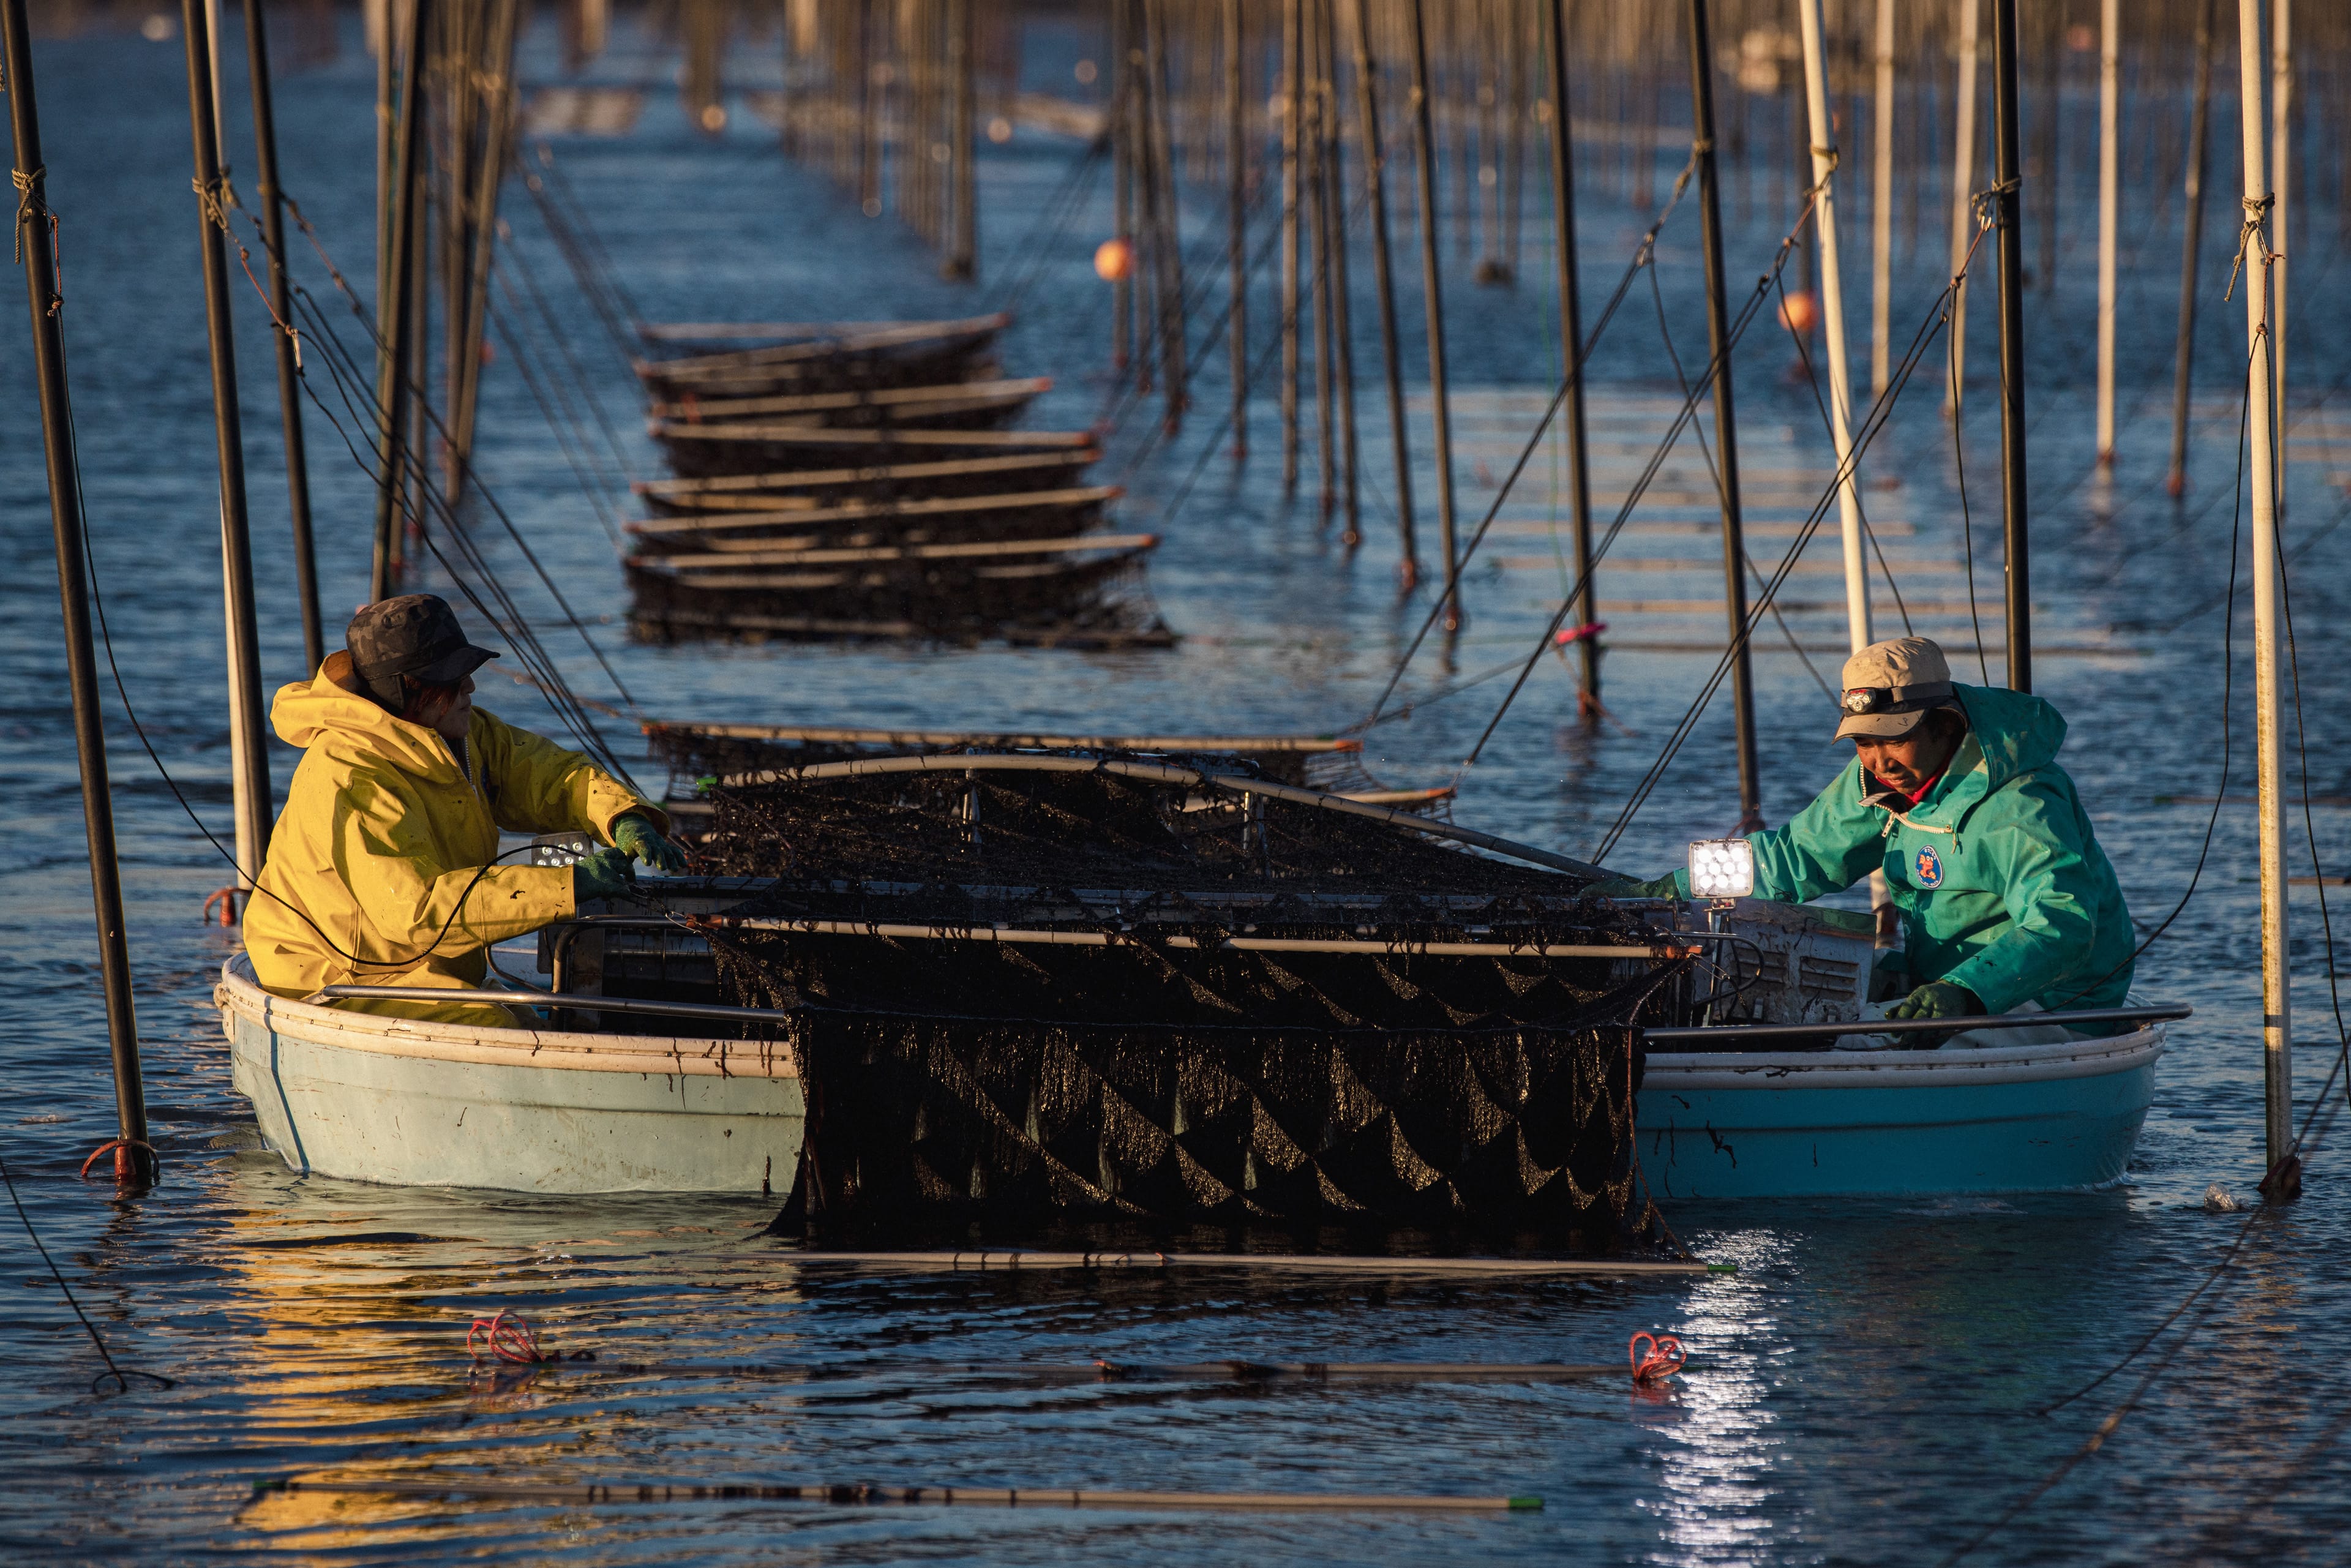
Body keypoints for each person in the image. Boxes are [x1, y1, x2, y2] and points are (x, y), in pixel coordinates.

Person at [1595, 636, 2134, 1030]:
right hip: (1941, 988)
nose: (1879, 761)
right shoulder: (1880, 781)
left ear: (1945, 724)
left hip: (2054, 1005)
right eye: (1863, 743)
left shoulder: (2021, 805)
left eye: (1894, 739)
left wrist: (1965, 992)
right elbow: (1794, 857)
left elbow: (2062, 924)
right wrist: (1675, 887)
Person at [246, 595, 688, 1026]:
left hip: (416, 967)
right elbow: (418, 911)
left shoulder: (453, 732)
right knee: (504, 1032)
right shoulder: (353, 776)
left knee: (538, 1022)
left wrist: (622, 815)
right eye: (453, 679)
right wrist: (569, 885)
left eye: (467, 673)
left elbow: (545, 775)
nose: (470, 688)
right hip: (338, 980)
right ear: (407, 688)